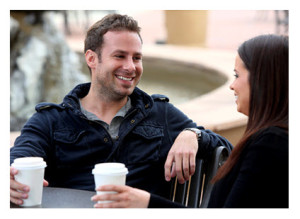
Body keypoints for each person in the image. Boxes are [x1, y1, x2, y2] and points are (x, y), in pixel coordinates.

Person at [10, 14, 232, 206]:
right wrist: (9, 178)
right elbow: (18, 161)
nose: (131, 67)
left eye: (137, 58)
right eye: (120, 56)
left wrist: (193, 134)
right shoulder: (50, 120)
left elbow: (228, 151)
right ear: (91, 59)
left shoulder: (160, 114)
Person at [90, 34, 288, 208]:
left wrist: (147, 203)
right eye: (119, 56)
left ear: (263, 79)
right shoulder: (272, 139)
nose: (232, 86)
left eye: (237, 75)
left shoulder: (270, 145)